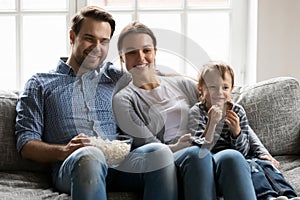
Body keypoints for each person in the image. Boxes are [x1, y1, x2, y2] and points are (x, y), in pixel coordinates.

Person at [15, 6, 178, 200]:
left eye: (104, 41)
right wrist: (64, 151)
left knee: (159, 153)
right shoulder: (41, 83)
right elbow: (26, 143)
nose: (96, 48)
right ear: (72, 37)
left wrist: (205, 85)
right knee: (90, 156)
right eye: (89, 38)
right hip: (74, 166)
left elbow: (154, 78)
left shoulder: (115, 77)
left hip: (120, 166)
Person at [113, 21, 257, 200]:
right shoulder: (124, 99)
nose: (141, 57)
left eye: (146, 50)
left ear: (155, 52)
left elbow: (228, 109)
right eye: (132, 52)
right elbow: (148, 147)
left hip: (205, 148)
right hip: (173, 157)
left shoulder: (182, 84)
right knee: (197, 154)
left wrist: (263, 153)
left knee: (232, 157)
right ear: (121, 57)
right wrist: (177, 146)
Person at [188, 61, 300, 200]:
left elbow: (243, 151)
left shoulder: (237, 111)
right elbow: (200, 152)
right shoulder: (197, 112)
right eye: (212, 87)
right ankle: (268, 197)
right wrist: (211, 124)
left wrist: (237, 132)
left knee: (265, 165)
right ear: (201, 89)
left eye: (225, 87)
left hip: (242, 156)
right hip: (219, 163)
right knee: (251, 166)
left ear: (231, 89)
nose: (219, 93)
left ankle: (289, 195)